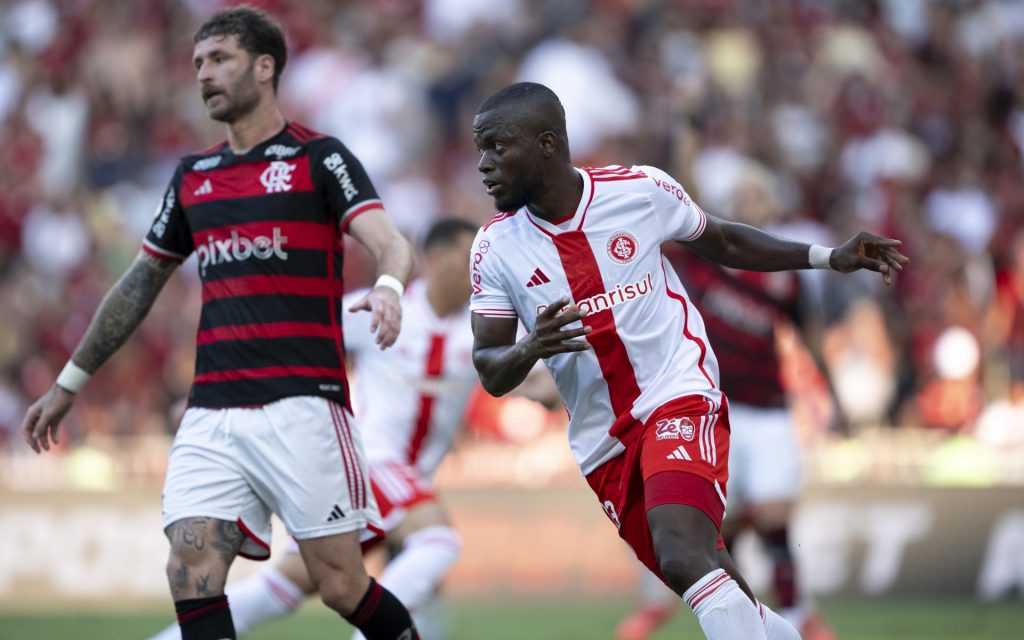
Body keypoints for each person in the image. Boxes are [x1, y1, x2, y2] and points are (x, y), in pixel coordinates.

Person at [20, 7, 419, 640]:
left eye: (220, 60)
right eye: (199, 62)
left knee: (341, 585)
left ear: (265, 68)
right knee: (191, 566)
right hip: (213, 411)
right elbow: (139, 284)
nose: (204, 74)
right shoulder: (193, 177)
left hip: (303, 404)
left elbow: (390, 241)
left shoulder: (320, 158)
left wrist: (391, 287)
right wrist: (70, 381)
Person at [468, 82, 908, 640]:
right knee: (705, 573)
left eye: (496, 148)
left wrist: (827, 257)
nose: (483, 165)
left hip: (679, 392)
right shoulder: (494, 247)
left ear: (547, 144)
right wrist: (530, 347)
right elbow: (489, 366)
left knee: (682, 552)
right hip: (604, 441)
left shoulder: (639, 191)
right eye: (480, 150)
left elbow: (722, 241)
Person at [147, 217, 485, 640]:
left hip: (407, 479)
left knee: (285, 587)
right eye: (469, 256)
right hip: (371, 461)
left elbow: (528, 377)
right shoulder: (384, 308)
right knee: (437, 541)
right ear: (434, 259)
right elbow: (296, 336)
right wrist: (217, 390)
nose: (478, 268)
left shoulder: (479, 328)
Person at [616, 245, 839, 640]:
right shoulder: (703, 261)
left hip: (769, 410)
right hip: (712, 407)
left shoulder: (784, 276)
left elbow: (809, 333)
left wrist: (832, 395)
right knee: (719, 530)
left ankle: (796, 613)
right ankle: (737, 618)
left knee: (774, 514)